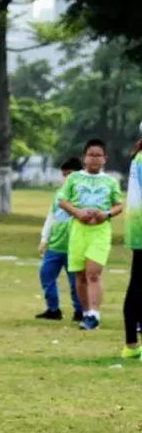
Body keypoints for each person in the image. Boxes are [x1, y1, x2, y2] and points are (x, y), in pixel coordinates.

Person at [59, 139, 123, 331]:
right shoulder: (74, 178)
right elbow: (63, 201)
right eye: (91, 155)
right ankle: (86, 312)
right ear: (84, 158)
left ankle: (94, 313)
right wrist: (77, 212)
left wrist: (107, 214)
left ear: (105, 159)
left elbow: (118, 205)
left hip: (100, 231)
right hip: (79, 229)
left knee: (93, 273)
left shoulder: (110, 181)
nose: (94, 159)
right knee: (79, 274)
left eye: (98, 155)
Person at [35, 157, 84, 322]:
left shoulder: (84, 195)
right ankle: (53, 309)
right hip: (55, 245)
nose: (67, 178)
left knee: (74, 282)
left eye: (70, 174)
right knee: (46, 275)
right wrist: (44, 238)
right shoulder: (60, 193)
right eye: (64, 175)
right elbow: (51, 216)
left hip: (74, 245)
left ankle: (79, 311)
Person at [122, 127, 142, 357]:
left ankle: (131, 344)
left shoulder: (138, 157)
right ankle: (130, 344)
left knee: (137, 283)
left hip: (137, 229)